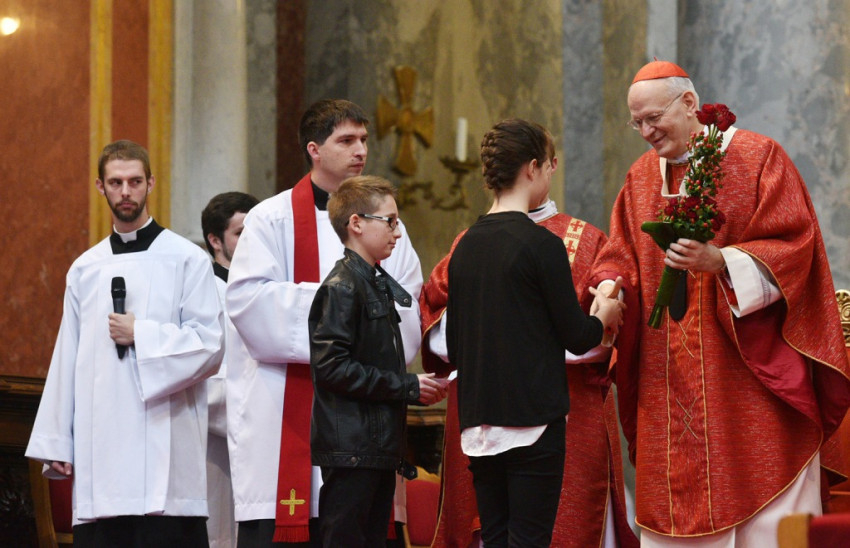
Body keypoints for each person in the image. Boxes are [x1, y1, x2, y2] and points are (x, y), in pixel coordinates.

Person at [588, 60, 850, 547]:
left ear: (689, 103)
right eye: (636, 122)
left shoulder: (758, 157)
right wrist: (608, 286)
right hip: (665, 385)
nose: (645, 132)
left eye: (653, 119)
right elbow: (618, 254)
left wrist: (722, 261)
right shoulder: (640, 177)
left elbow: (796, 246)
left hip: (745, 382)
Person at [225, 99, 424, 547]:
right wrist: (344, 307)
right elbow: (248, 305)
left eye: (364, 140)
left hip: (366, 425)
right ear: (314, 150)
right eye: (346, 140)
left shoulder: (388, 225)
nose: (361, 151)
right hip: (283, 413)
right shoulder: (271, 218)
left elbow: (409, 305)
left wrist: (346, 319)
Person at [25, 140, 224, 546]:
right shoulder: (85, 269)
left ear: (150, 183)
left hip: (168, 450)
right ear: (101, 187)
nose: (126, 192)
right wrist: (57, 440)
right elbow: (67, 357)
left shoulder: (187, 259)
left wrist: (142, 335)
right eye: (116, 183)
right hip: (103, 458)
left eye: (135, 181)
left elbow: (209, 346)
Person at [421, 184, 637, 547]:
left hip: (502, 412)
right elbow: (581, 334)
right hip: (537, 412)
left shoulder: (585, 240)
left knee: (500, 533)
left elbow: (455, 341)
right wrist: (600, 319)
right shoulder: (530, 244)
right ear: (536, 168)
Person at [308, 175, 448, 547]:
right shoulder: (342, 286)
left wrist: (414, 388)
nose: (397, 233)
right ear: (356, 223)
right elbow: (331, 367)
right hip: (353, 448)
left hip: (375, 447)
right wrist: (407, 386)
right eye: (390, 221)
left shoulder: (373, 281)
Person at [201, 191, 260, 548]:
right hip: (215, 443)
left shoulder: (266, 289)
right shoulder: (202, 293)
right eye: (240, 233)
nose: (251, 240)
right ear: (214, 240)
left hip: (261, 441)